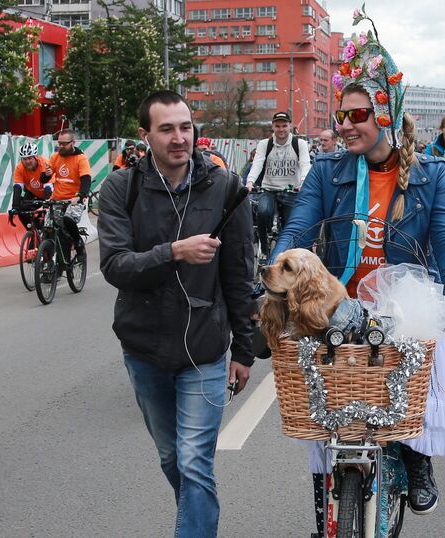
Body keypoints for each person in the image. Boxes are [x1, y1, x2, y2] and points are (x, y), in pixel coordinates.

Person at [272, 13, 445, 535]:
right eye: (340, 114)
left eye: (357, 114)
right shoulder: (326, 170)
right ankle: (329, 508)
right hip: (335, 304)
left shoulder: (430, 173)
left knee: (405, 390)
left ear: (385, 114)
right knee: (328, 412)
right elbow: (296, 232)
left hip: (400, 304)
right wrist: (279, 279)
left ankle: (415, 454)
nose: (344, 124)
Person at [97, 90, 258, 537]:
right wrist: (174, 253)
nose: (179, 138)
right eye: (166, 128)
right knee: (173, 459)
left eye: (185, 127)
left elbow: (240, 277)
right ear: (145, 134)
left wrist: (243, 350)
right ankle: (196, 514)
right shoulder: (120, 188)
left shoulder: (226, 189)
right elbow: (114, 266)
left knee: (194, 462)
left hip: (204, 350)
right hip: (144, 349)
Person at [244, 111, 311, 256]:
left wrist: (303, 181)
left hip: (291, 190)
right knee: (262, 212)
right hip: (269, 189)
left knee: (291, 225)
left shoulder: (299, 144)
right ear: (273, 127)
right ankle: (264, 245)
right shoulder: (264, 144)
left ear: (290, 126)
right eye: (278, 126)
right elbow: (257, 164)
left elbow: (305, 164)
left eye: (284, 126)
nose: (281, 129)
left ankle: (289, 253)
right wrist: (250, 182)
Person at [49, 129, 91, 261]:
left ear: (73, 142)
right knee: (48, 228)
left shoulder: (81, 158)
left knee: (68, 219)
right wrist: (45, 175)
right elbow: (45, 178)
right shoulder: (55, 157)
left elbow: (86, 179)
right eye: (59, 143)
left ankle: (78, 243)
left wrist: (80, 196)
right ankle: (48, 263)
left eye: (64, 144)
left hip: (74, 199)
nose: (60, 146)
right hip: (57, 199)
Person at [8, 143, 54, 229]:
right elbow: (17, 188)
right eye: (24, 159)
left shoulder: (45, 164)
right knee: (21, 210)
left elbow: (48, 187)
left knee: (47, 216)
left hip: (49, 192)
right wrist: (15, 207)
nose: (27, 161)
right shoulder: (20, 168)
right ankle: (33, 234)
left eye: (30, 158)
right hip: (33, 193)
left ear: (36, 157)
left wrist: (46, 204)